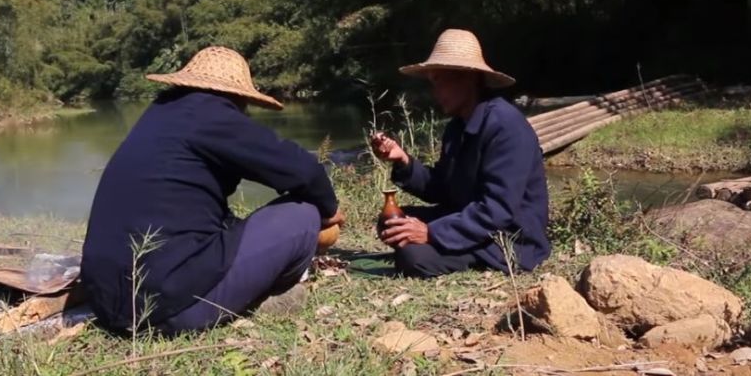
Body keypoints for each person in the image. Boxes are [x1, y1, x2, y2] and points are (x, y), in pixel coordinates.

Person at [81, 46, 345, 335]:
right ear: (238, 96)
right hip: (167, 308)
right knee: (302, 215)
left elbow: (200, 208)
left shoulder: (160, 115)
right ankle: (264, 293)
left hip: (108, 304)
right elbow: (303, 170)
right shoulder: (210, 113)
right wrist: (330, 211)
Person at [371, 29, 550, 278]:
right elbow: (444, 189)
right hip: (467, 220)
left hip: (507, 238)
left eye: (439, 82)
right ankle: (438, 245)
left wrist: (431, 233)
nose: (435, 92)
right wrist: (403, 160)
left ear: (467, 79)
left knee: (413, 256)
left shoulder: (505, 126)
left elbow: (497, 209)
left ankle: (445, 251)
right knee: (392, 221)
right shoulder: (458, 126)